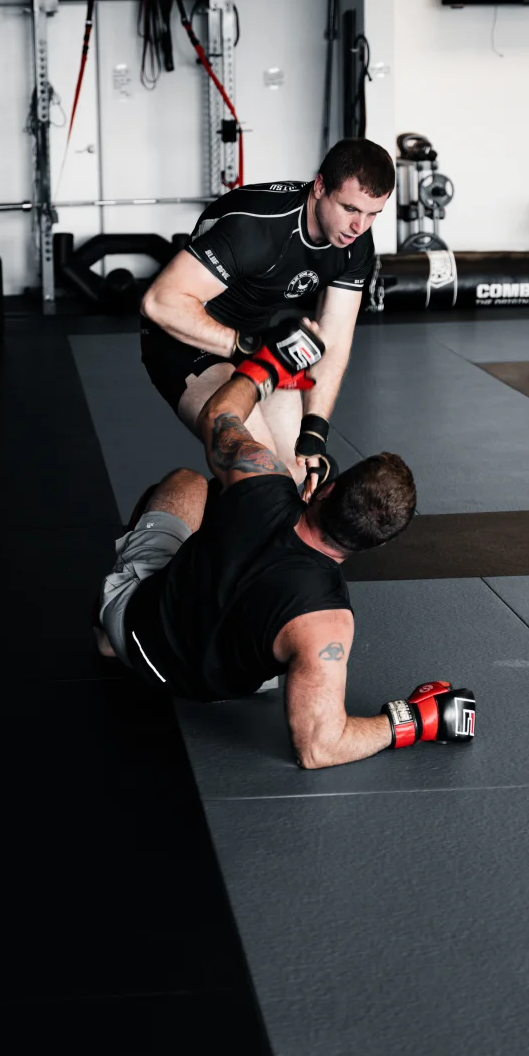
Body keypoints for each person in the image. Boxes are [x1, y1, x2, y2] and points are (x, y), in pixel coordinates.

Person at [94, 355, 475, 771]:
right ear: (375, 545)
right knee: (287, 650)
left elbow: (219, 413)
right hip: (210, 687)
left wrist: (262, 370)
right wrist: (415, 721)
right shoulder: (327, 622)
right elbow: (319, 749)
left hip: (135, 629)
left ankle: (109, 635)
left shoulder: (258, 477)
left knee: (184, 482)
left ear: (326, 490)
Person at [139, 138, 395, 484]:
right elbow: (160, 301)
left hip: (257, 344)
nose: (359, 227)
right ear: (320, 186)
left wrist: (315, 428)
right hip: (184, 341)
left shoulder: (356, 243)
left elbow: (333, 340)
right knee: (262, 474)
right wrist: (248, 346)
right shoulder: (256, 226)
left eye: (373, 214)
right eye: (350, 209)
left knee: (299, 475)